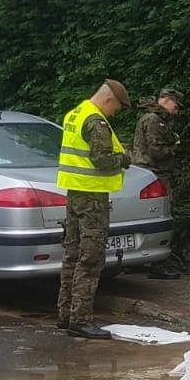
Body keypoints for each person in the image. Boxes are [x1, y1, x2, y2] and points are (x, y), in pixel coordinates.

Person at [56, 79, 131, 340]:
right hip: (92, 198)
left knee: (72, 255)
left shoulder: (75, 113)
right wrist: (124, 158)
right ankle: (81, 319)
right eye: (117, 109)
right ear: (109, 100)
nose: (114, 114)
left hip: (75, 193)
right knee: (91, 258)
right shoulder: (96, 122)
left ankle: (65, 314)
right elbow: (102, 161)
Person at [130, 88, 185, 280]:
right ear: (167, 100)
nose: (176, 112)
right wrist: (175, 147)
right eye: (175, 106)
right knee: (161, 216)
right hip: (155, 175)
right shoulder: (154, 120)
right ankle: (159, 264)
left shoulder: (151, 118)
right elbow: (157, 152)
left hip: (148, 174)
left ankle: (142, 261)